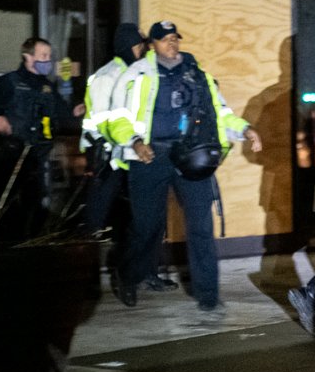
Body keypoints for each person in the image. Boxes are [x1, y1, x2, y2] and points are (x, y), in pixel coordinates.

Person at [106, 21, 262, 317]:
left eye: (174, 38)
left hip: (190, 157)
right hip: (150, 157)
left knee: (202, 225)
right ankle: (127, 275)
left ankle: (208, 293)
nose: (171, 43)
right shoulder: (136, 74)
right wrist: (135, 142)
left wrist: (245, 130)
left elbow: (220, 113)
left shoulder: (197, 74)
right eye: (164, 39)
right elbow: (118, 117)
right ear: (152, 44)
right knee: (147, 226)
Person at [0, 36, 83, 243]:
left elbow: (63, 115)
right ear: (28, 57)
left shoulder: (48, 88)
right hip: (8, 157)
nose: (47, 61)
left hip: (35, 160)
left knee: (31, 205)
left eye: (49, 56)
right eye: (43, 56)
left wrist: (77, 113)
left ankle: (23, 246)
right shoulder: (11, 83)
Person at [81, 23, 148, 283]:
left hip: (126, 157)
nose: (141, 49)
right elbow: (100, 120)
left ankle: (138, 271)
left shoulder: (134, 73)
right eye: (137, 45)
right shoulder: (107, 76)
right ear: (127, 46)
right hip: (107, 157)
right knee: (96, 218)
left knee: (132, 217)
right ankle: (85, 272)